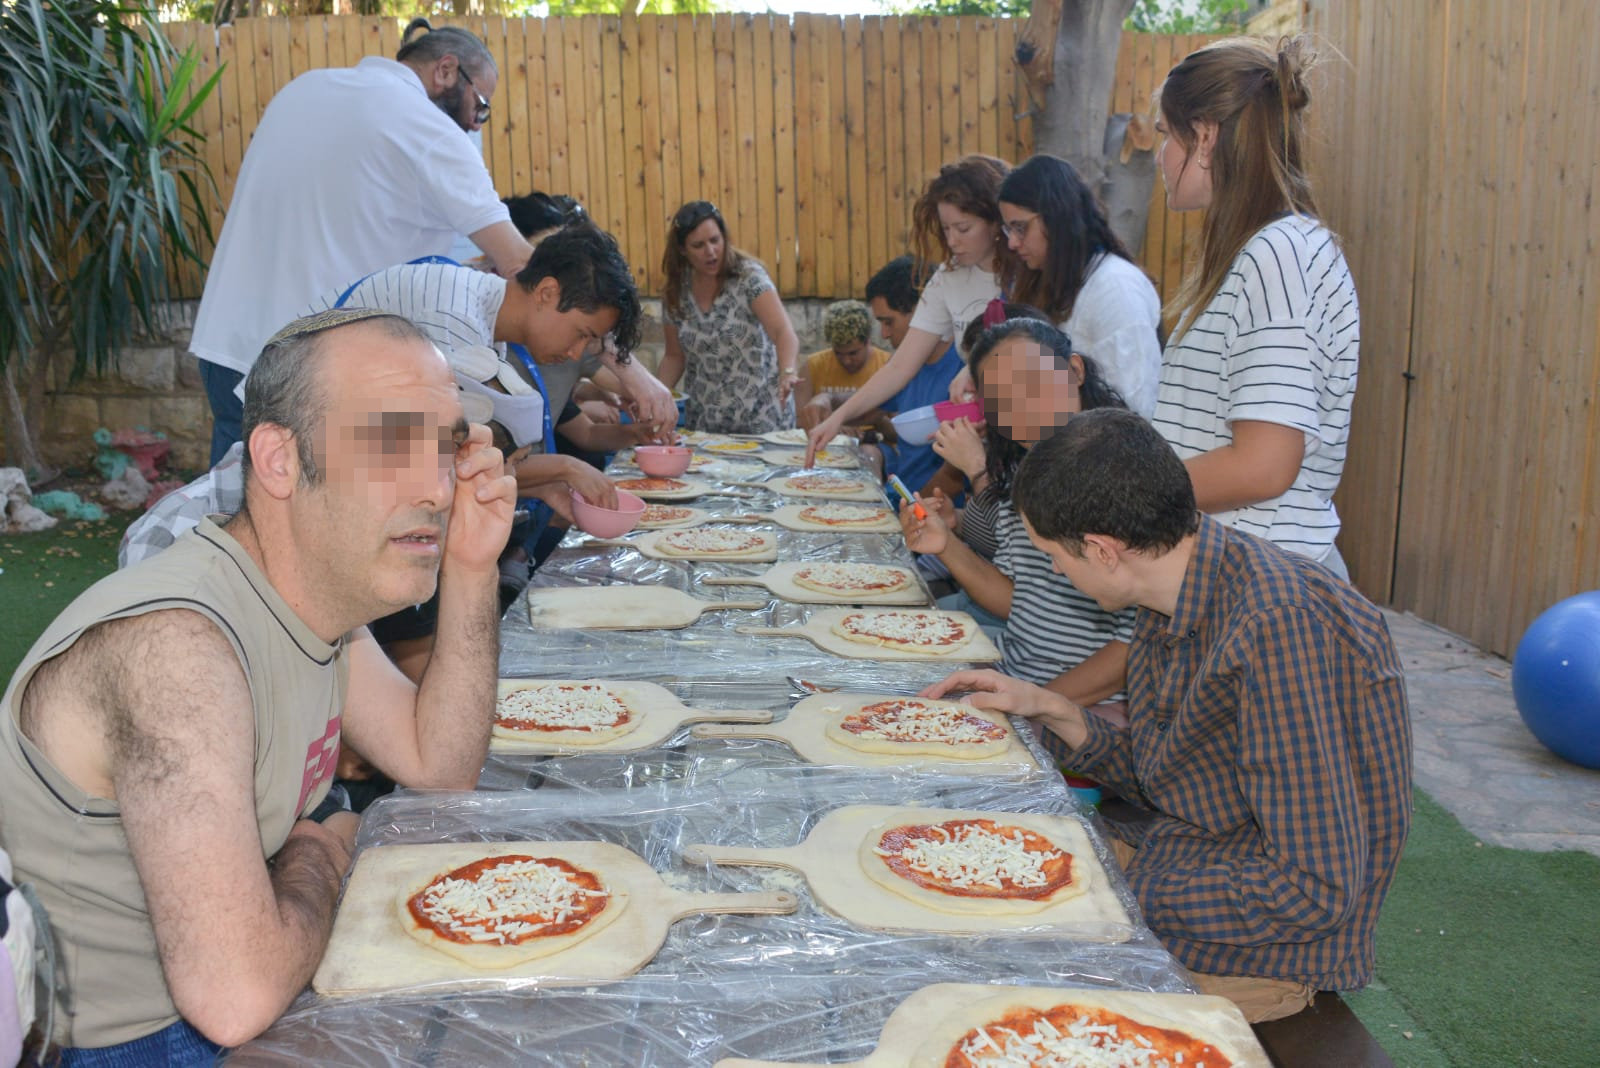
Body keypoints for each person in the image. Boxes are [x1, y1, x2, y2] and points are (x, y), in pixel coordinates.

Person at [0, 308, 517, 1060]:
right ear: (279, 460)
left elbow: (440, 767)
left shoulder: (313, 606)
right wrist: (319, 852)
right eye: (390, 444)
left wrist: (472, 568)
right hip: (128, 1044)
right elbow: (234, 998)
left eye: (442, 448)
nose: (437, 489)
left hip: (237, 992)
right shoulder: (178, 650)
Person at [925, 408, 1412, 1023]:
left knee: (978, 995)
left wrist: (1104, 890)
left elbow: (1311, 891)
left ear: (1101, 550)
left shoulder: (1277, 629)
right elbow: (1170, 777)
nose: (1053, 570)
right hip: (1182, 861)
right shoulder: (1176, 589)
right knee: (954, 885)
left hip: (1254, 953)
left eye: (1053, 555)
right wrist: (1055, 709)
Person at [1150, 35, 1359, 578]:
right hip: (1234, 571)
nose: (1159, 156)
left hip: (1267, 584)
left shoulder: (1279, 254)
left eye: (1164, 134)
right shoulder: (1259, 252)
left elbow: (1264, 466)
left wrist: (1131, 493)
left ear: (1204, 138)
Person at [903, 317, 1135, 710]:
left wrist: (1036, 705)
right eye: (1000, 398)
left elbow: (1134, 645)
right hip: (1015, 677)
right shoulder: (1024, 473)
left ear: (1075, 370)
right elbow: (1020, 601)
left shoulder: (1122, 475)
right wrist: (945, 545)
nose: (1021, 406)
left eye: (1033, 381)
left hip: (1085, 707)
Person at [805, 155, 1012, 465]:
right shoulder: (948, 278)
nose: (952, 241)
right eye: (946, 229)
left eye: (963, 228)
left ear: (995, 220)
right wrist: (839, 417)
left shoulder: (1023, 274)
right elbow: (900, 366)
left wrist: (973, 367)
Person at [993, 154, 1163, 416]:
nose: (1012, 243)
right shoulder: (1049, 276)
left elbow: (1134, 407)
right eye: (1008, 230)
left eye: (1020, 227)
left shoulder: (1116, 288)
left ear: (1056, 217)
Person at [656, 200, 801, 434]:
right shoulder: (676, 291)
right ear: (682, 249)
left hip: (762, 419)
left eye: (715, 240)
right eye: (698, 245)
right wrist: (655, 394)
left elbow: (783, 332)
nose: (710, 252)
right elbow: (674, 356)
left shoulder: (749, 277)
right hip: (705, 423)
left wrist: (788, 372)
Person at [793, 300, 891, 431]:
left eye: (853, 353)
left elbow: (898, 432)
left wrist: (876, 419)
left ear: (868, 342)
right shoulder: (812, 366)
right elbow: (798, 422)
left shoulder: (888, 365)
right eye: (838, 353)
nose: (846, 361)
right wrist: (834, 429)